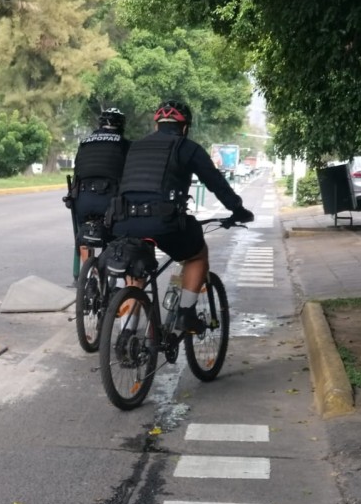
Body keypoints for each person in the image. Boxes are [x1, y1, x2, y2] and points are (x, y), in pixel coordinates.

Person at [111, 99, 255, 333]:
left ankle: (125, 336)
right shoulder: (187, 147)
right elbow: (216, 184)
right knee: (197, 255)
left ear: (156, 125)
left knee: (135, 272)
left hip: (124, 222)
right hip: (164, 223)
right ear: (185, 127)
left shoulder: (135, 147)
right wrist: (238, 210)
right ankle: (186, 315)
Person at [64, 108, 131, 270]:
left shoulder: (85, 143)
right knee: (118, 234)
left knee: (85, 233)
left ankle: (89, 272)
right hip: (110, 200)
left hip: (82, 199)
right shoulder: (125, 145)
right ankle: (110, 271)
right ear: (121, 125)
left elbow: (77, 173)